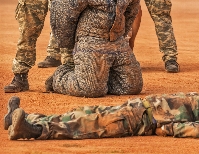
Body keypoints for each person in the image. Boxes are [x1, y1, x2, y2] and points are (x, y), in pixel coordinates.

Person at [45, 0, 143, 97]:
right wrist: (68, 44)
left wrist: (121, 36)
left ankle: (97, 79)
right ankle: (61, 77)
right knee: (91, 91)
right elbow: (63, 12)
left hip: (117, 41)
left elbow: (131, 13)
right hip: (91, 41)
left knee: (132, 87)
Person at [5, 92, 199, 140]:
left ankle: (32, 130)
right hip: (135, 107)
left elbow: (185, 128)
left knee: (85, 124)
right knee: (79, 113)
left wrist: (164, 128)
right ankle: (27, 118)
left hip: (139, 121)